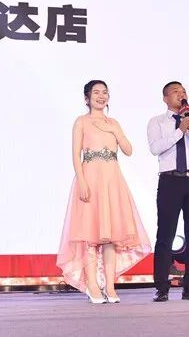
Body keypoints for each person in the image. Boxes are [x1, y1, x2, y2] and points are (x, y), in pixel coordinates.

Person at [57, 80, 151, 304]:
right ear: (87, 98)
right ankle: (92, 285)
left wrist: (115, 131)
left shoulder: (113, 123)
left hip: (112, 182)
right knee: (90, 236)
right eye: (96, 92)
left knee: (111, 237)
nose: (101, 96)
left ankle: (110, 285)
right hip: (90, 179)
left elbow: (128, 150)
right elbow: (75, 155)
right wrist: (82, 181)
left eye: (105, 92)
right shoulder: (81, 122)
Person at [147, 81, 189, 302]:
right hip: (170, 181)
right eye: (175, 91)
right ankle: (162, 288)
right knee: (165, 235)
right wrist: (180, 130)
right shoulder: (156, 122)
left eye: (183, 91)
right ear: (165, 98)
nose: (181, 94)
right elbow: (155, 148)